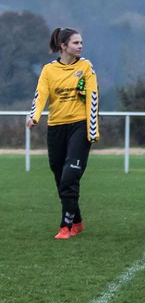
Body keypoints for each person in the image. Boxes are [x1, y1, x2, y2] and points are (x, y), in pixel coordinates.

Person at [27, 27, 99, 238]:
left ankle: (65, 226)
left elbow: (93, 96)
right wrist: (34, 116)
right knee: (60, 177)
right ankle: (77, 221)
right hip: (56, 127)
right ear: (63, 46)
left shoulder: (86, 67)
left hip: (80, 126)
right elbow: (41, 95)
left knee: (70, 176)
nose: (80, 46)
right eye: (76, 43)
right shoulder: (49, 70)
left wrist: (92, 130)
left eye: (81, 43)